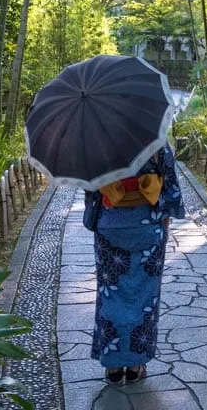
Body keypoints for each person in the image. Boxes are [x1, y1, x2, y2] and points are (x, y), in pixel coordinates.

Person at [81, 142, 185, 385]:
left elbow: (90, 187)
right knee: (145, 295)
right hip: (148, 224)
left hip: (110, 225)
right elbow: (170, 187)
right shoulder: (156, 140)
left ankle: (114, 366)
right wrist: (165, 220)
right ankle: (136, 363)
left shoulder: (98, 142)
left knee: (110, 293)